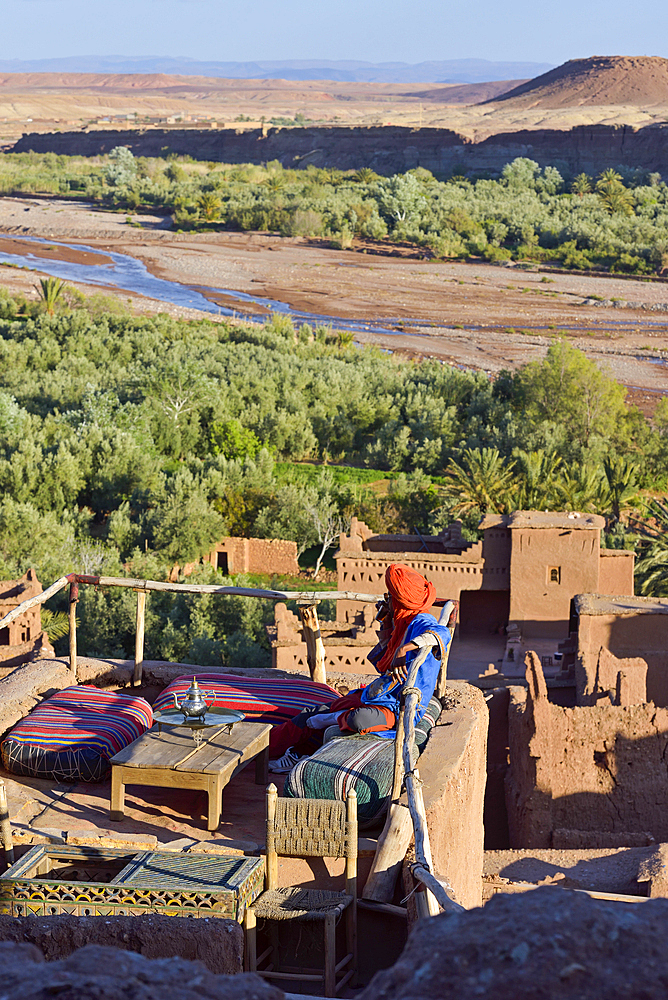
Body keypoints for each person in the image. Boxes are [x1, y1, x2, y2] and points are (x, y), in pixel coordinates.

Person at [268, 562, 451, 773]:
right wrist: (387, 623)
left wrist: (404, 650)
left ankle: (326, 724)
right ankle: (263, 750)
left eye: (390, 596)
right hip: (380, 696)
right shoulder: (404, 622)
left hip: (399, 709)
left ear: (401, 601)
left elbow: (441, 634)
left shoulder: (421, 620)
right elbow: (384, 664)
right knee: (309, 715)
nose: (387, 599)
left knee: (357, 719)